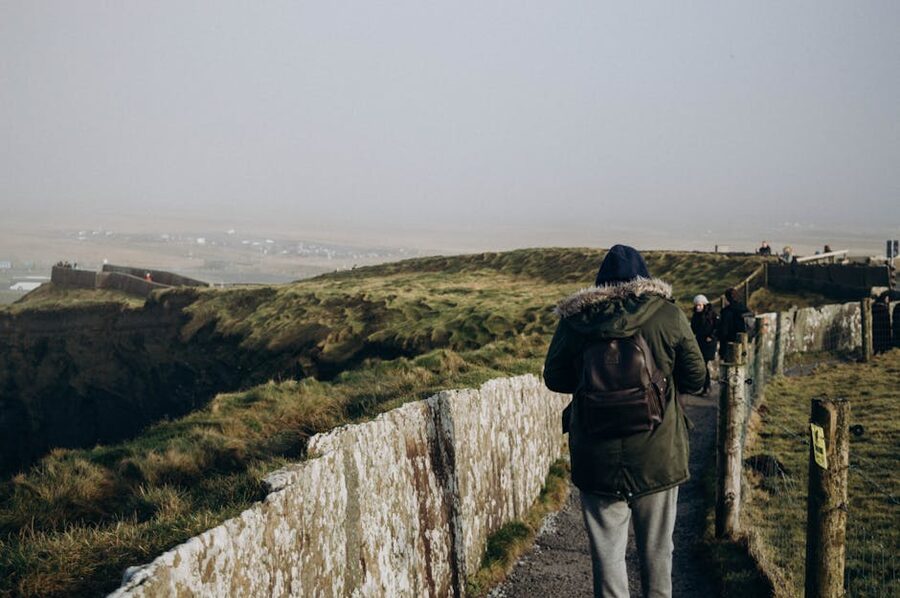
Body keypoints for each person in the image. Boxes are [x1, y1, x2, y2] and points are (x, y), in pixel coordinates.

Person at [543, 245, 706, 598]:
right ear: (645, 279)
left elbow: (554, 377)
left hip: (596, 458)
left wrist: (592, 383)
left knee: (608, 559)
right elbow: (696, 378)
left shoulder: (576, 322)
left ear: (600, 284)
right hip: (658, 453)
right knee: (658, 555)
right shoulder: (667, 315)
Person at [690, 295, 718, 395]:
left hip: (708, 343)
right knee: (702, 365)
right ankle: (705, 386)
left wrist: (711, 336)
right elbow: (693, 328)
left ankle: (706, 387)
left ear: (704, 305)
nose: (698, 307)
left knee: (704, 364)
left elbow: (717, 327)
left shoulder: (711, 314)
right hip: (700, 341)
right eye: (696, 305)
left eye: (700, 305)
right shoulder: (696, 316)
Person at [718, 288, 753, 360]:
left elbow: (723, 331)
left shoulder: (726, 312)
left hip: (728, 343)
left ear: (727, 298)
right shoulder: (744, 309)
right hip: (742, 340)